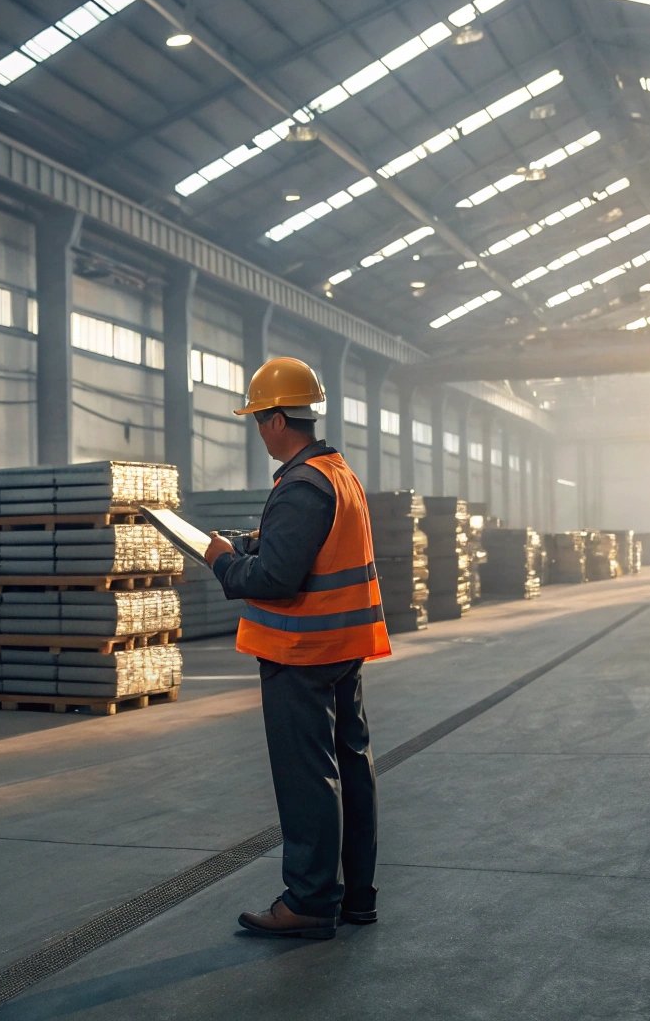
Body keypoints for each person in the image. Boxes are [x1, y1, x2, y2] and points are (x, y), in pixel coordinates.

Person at [205, 355, 392, 941]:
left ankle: (310, 901)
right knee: (351, 769)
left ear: (280, 418)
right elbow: (304, 546)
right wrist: (251, 542)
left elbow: (273, 579)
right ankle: (355, 895)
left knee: (308, 778)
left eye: (260, 418)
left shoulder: (300, 485)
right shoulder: (336, 474)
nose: (259, 429)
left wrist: (222, 562)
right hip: (342, 648)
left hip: (301, 654)